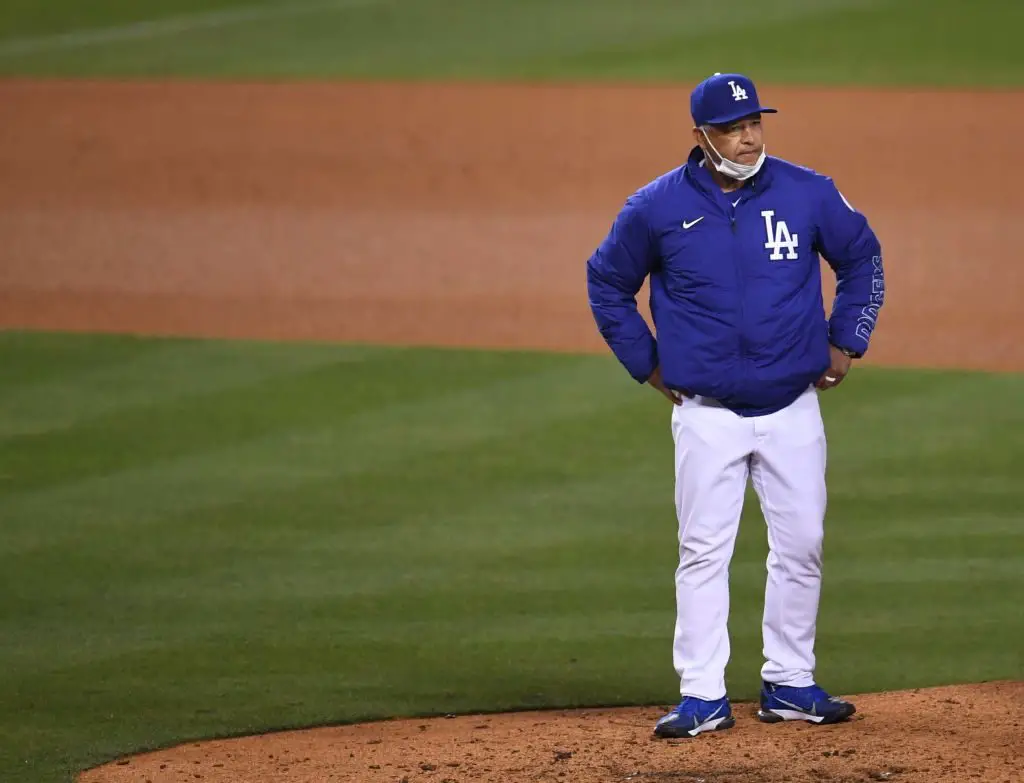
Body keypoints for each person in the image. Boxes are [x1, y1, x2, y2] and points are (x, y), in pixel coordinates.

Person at [585, 72, 885, 739]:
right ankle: (701, 693)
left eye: (755, 122)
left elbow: (862, 256)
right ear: (700, 136)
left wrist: (847, 339)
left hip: (792, 404)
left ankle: (790, 680)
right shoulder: (656, 207)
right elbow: (606, 281)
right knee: (703, 550)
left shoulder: (808, 192)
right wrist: (649, 363)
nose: (749, 137)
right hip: (707, 413)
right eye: (732, 127)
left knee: (802, 543)